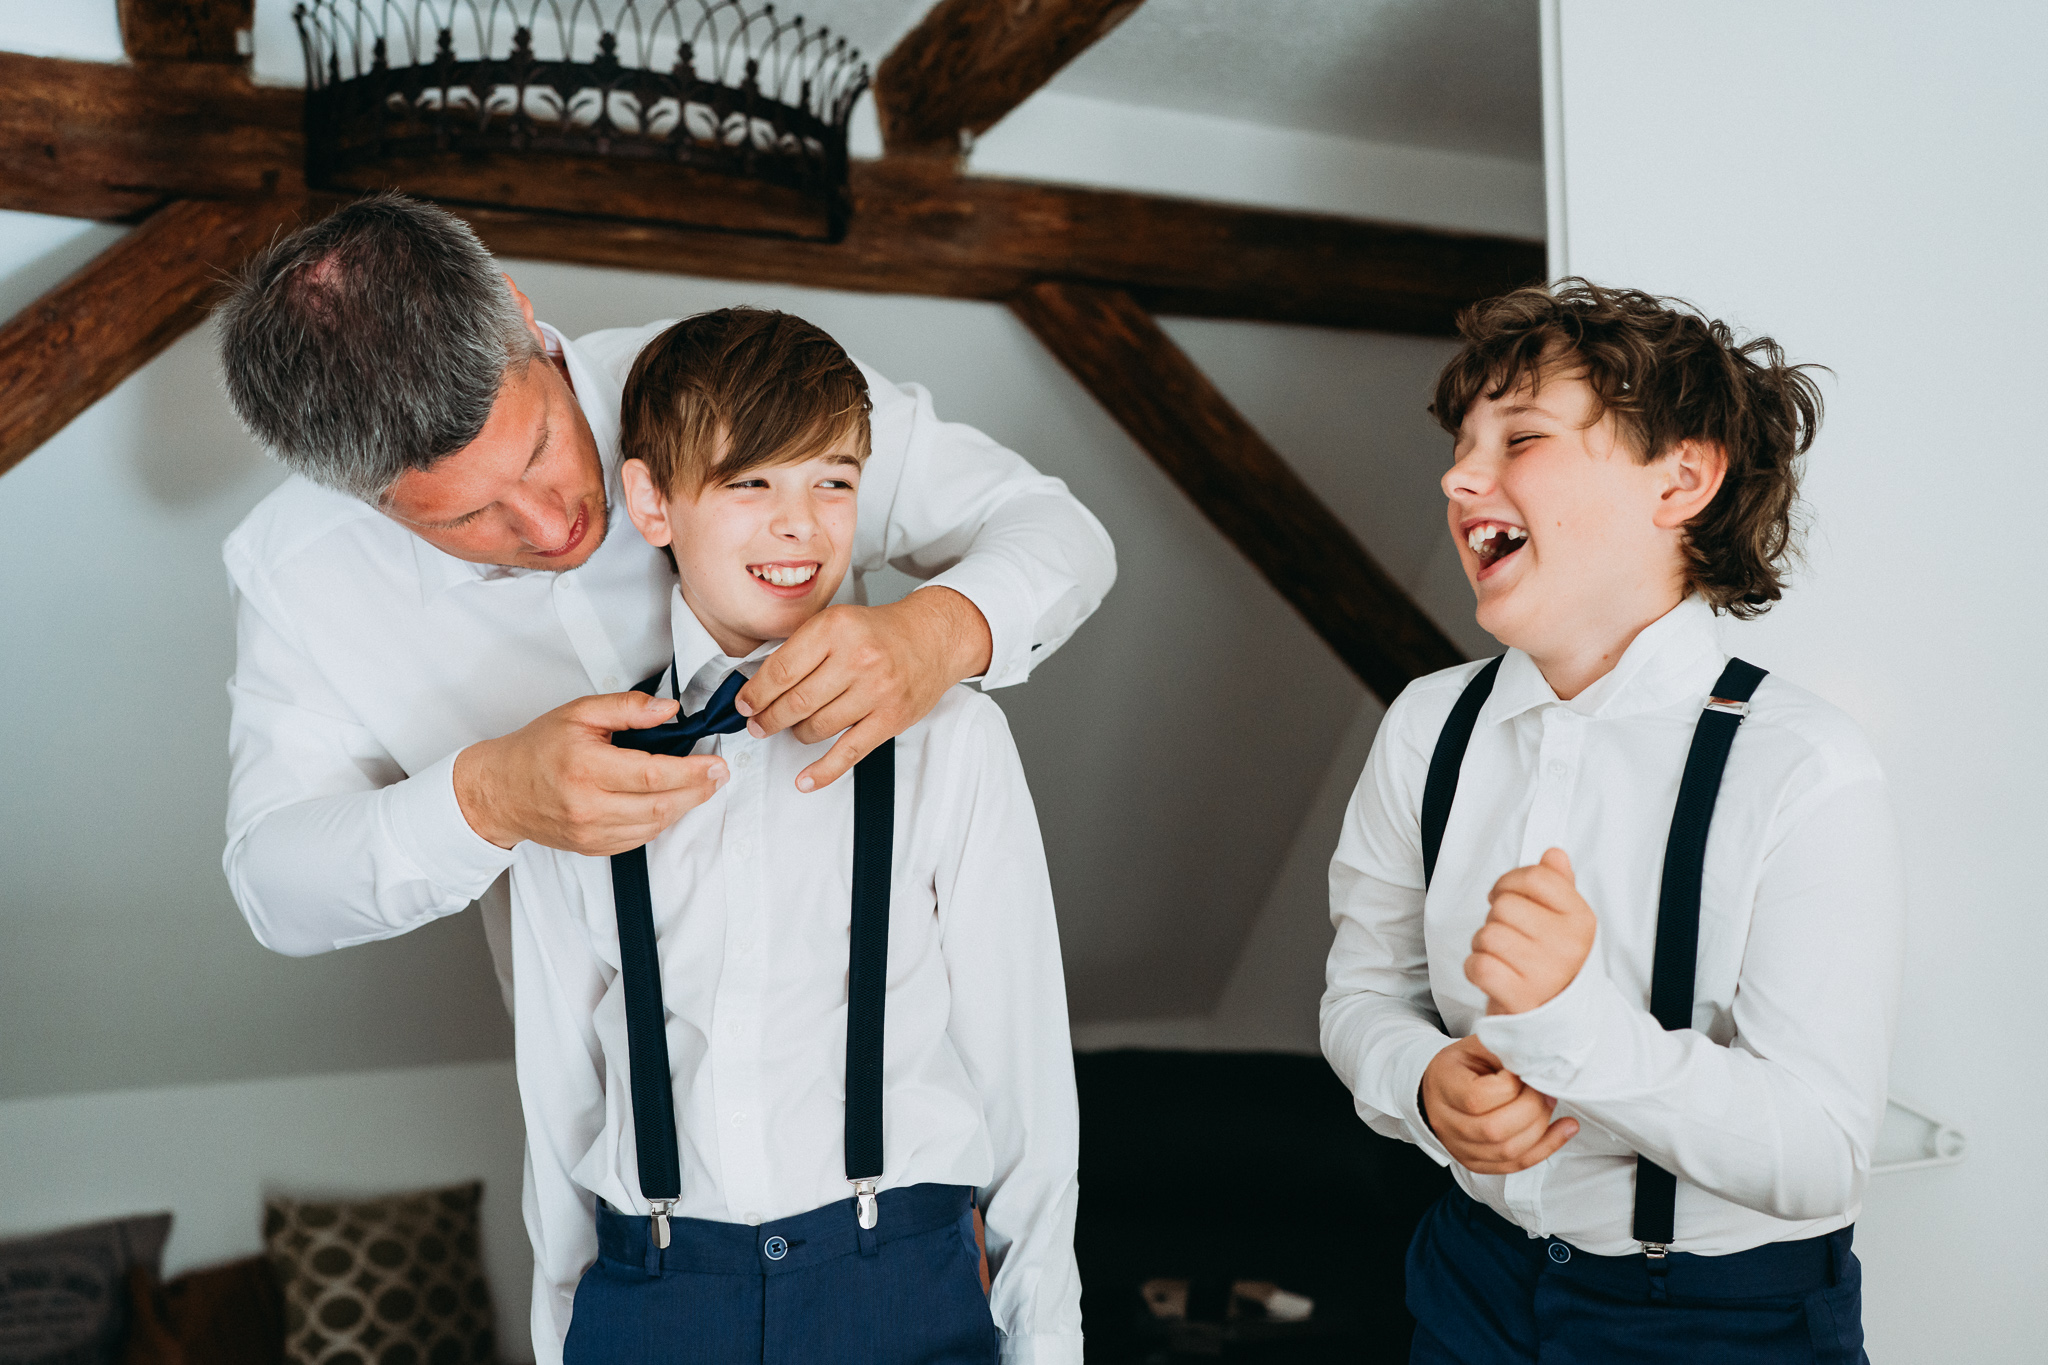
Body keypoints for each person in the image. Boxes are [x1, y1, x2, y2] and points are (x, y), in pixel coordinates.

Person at [212, 194, 1113, 987]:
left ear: (521, 315)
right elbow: (273, 889)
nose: (547, 521)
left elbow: (1056, 531)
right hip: (620, 1120)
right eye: (466, 517)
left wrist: (936, 635)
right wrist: (485, 798)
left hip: (896, 1038)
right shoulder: (298, 575)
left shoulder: (734, 386)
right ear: (357, 496)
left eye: (537, 451)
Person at [1320, 281, 1902, 1363]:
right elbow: (1361, 996)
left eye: (1521, 437)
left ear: (1679, 478)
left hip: (1724, 1325)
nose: (1456, 476)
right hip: (1468, 1287)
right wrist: (1420, 1082)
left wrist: (1567, 1026)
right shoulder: (1425, 727)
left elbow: (1820, 1152)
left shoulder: (1803, 768)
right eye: (1462, 443)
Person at [509, 307, 1078, 1364]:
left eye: (833, 481)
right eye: (749, 482)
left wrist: (1046, 1343)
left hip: (899, 1286)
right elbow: (555, 1110)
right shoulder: (573, 769)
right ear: (652, 501)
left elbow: (1026, 1078)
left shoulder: (953, 740)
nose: (800, 525)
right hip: (651, 1292)